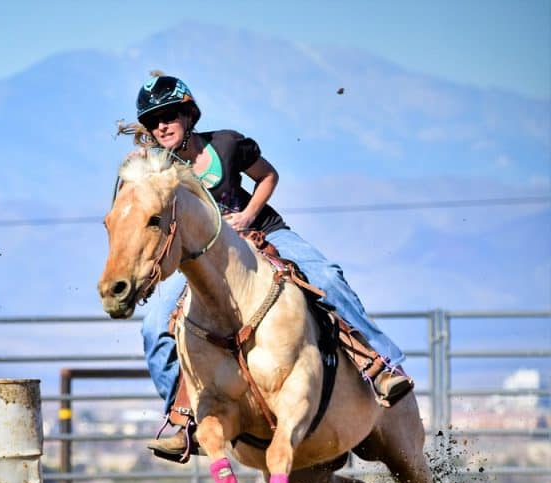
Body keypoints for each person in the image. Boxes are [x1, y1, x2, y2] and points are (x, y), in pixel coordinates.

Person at [128, 73, 414, 458]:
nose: (161, 126)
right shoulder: (158, 169)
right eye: (153, 121)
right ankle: (184, 420)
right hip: (208, 260)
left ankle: (379, 365)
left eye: (169, 116)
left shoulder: (226, 145)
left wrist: (246, 216)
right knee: (153, 328)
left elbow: (267, 176)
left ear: (188, 115)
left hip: (264, 233)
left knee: (327, 277)